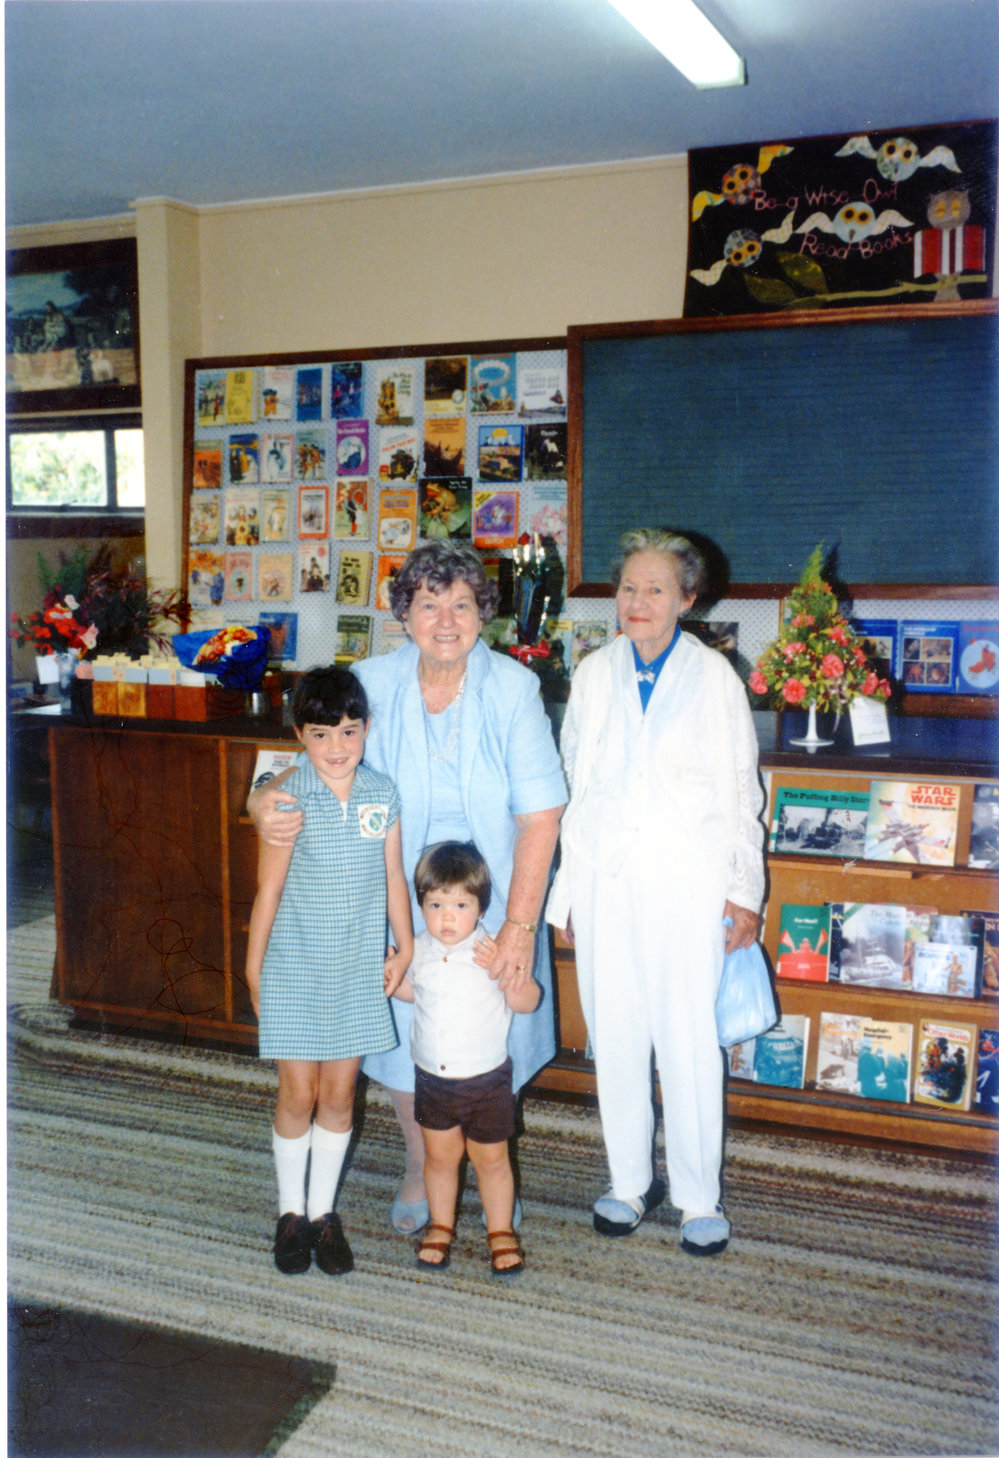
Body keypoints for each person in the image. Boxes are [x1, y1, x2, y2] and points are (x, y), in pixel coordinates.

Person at [249, 540, 566, 1236]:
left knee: (487, 1026)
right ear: (405, 612)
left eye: (460, 603)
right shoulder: (371, 679)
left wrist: (516, 926)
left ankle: (484, 1157)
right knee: (398, 1033)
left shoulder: (513, 689)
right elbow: (310, 748)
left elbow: (541, 817)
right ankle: (422, 1161)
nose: (445, 620)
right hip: (392, 897)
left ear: (484, 611)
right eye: (429, 604)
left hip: (492, 899)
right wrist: (260, 801)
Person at [546, 529, 765, 1258]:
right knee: (614, 1034)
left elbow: (741, 793)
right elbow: (575, 786)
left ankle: (697, 1196)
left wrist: (744, 892)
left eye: (656, 590)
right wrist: (565, 893)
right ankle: (628, 1181)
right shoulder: (594, 673)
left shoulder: (712, 678)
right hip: (605, 877)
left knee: (686, 1039)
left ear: (687, 599)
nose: (638, 602)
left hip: (687, 882)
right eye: (629, 588)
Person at [245, 666, 414, 1276]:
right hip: (293, 967)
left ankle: (322, 1214)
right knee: (299, 1092)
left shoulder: (382, 795)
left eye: (348, 732)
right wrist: (252, 969)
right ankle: (290, 1212)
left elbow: (394, 876)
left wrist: (406, 946)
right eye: (321, 735)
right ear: (299, 734)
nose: (336, 748)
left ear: (366, 729)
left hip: (356, 971)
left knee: (340, 1094)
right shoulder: (287, 798)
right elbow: (268, 892)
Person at [394, 841, 537, 1276]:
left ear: (480, 906)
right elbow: (413, 994)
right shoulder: (416, 950)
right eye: (435, 904)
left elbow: (528, 1002)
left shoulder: (492, 950)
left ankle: (500, 1231)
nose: (447, 916)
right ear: (421, 906)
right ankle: (441, 1225)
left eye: (460, 904)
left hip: (487, 1080)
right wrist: (390, 978)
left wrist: (507, 972)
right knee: (439, 1159)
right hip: (433, 1079)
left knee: (491, 1160)